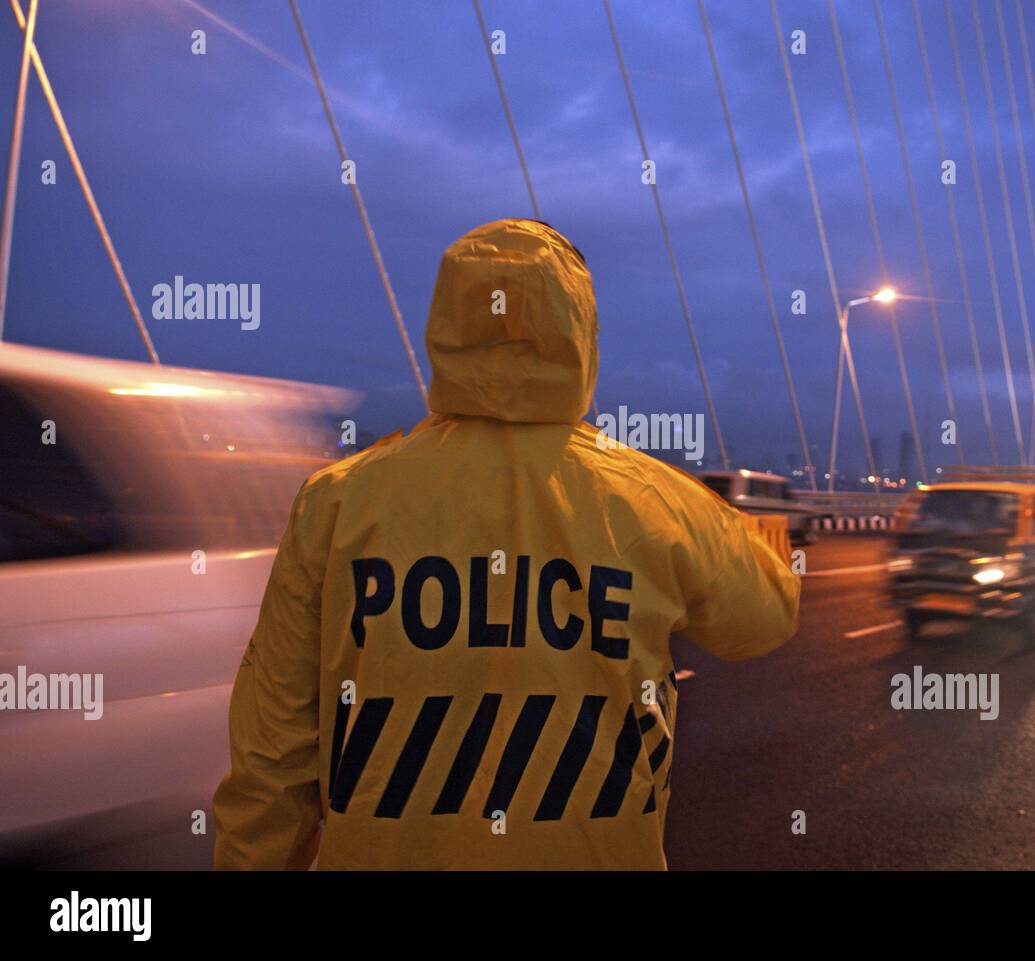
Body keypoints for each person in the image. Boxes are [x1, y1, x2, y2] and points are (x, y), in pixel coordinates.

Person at [212, 218, 800, 870]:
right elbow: (768, 609)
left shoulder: (338, 503)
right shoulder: (650, 501)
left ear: (445, 326)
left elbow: (273, 755)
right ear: (580, 337)